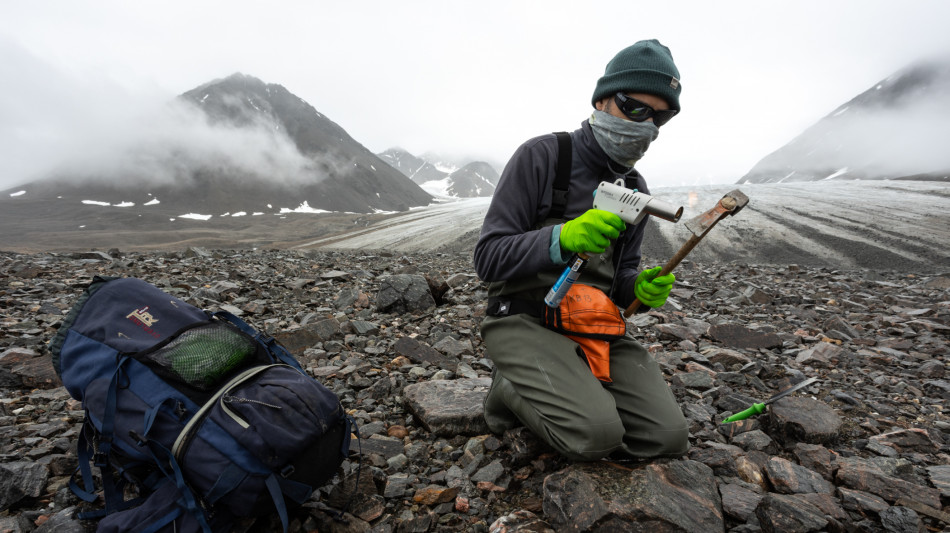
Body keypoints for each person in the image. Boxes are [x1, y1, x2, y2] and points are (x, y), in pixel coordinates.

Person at [473, 39, 689, 461]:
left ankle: (566, 383)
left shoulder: (636, 190)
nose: (646, 125)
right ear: (603, 100)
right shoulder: (544, 156)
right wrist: (561, 238)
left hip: (594, 323)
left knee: (667, 437)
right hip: (525, 319)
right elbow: (488, 259)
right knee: (595, 436)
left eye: (660, 116)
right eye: (634, 107)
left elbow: (621, 279)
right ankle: (507, 388)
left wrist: (638, 291)